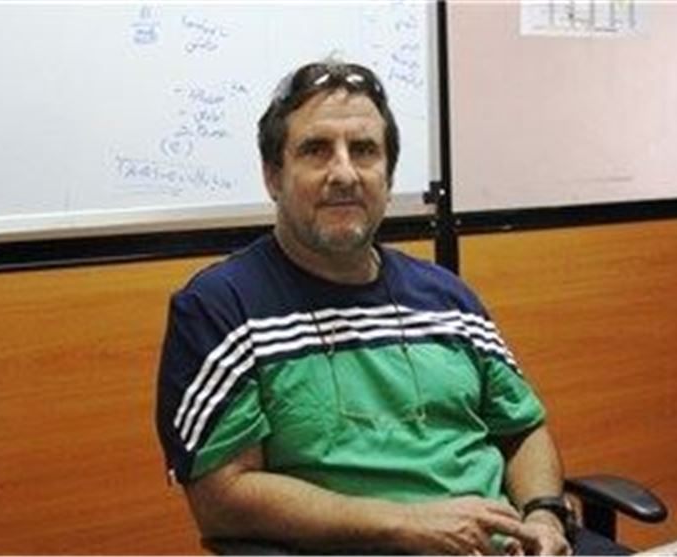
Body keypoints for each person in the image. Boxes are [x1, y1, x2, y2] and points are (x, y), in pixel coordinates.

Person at [156, 60, 573, 556]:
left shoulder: (448, 297)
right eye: (316, 150)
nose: (345, 173)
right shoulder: (220, 308)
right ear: (273, 176)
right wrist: (407, 524)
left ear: (388, 177)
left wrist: (544, 514)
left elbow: (522, 429)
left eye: (364, 150)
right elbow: (222, 497)